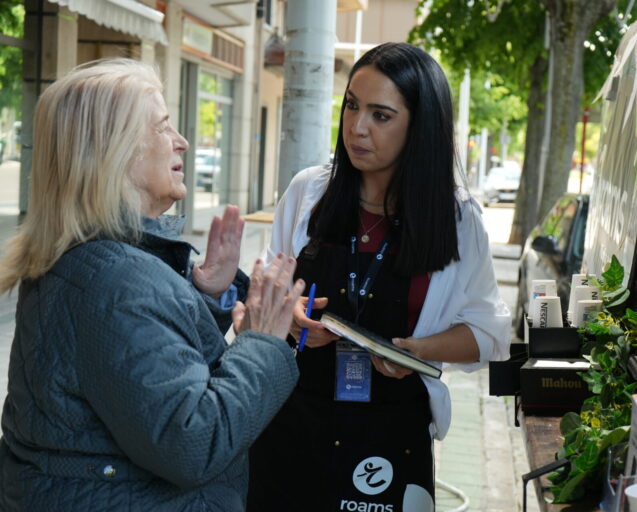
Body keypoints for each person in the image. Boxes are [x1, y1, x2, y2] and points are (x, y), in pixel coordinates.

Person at [0, 58, 304, 511]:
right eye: (163, 127)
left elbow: (136, 373)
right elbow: (194, 442)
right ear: (115, 151)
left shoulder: (84, 258)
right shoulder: (118, 282)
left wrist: (205, 296)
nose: (182, 141)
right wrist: (261, 342)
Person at [248, 42, 511, 512]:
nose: (357, 127)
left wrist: (419, 352)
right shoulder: (309, 192)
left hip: (393, 435)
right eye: (351, 106)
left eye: (381, 115)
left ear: (420, 127)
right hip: (291, 421)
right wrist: (288, 315)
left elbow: (489, 334)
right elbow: (266, 291)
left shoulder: (457, 220)